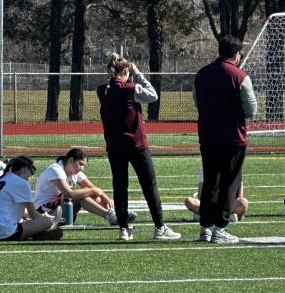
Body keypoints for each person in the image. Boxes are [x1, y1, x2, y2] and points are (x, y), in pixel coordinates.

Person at [96, 53, 180, 242]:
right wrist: (137, 72)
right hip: (136, 144)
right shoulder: (131, 88)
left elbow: (112, 84)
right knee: (149, 186)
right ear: (126, 71)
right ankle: (160, 227)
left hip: (114, 146)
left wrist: (121, 68)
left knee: (120, 187)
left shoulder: (102, 90)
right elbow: (153, 95)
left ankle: (123, 229)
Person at [193, 34, 257, 244]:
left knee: (210, 182)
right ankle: (220, 228)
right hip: (232, 137)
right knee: (229, 183)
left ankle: (205, 228)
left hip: (208, 136)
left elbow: (197, 101)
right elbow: (251, 109)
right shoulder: (240, 75)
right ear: (236, 54)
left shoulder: (202, 74)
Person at [0, 156, 61, 241]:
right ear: (25, 169)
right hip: (4, 233)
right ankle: (42, 232)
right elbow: (33, 214)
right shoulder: (21, 183)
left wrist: (41, 216)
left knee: (38, 221)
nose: (31, 177)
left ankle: (38, 233)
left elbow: (18, 210)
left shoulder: (3, 179)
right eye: (31, 172)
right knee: (47, 222)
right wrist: (43, 218)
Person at [34, 148, 122, 226]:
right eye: (80, 164)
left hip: (60, 209)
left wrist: (106, 198)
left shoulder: (74, 172)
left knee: (87, 193)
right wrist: (93, 190)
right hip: (43, 213)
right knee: (80, 196)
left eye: (83, 165)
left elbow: (94, 189)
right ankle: (110, 216)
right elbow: (69, 193)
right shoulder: (55, 170)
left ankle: (117, 214)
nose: (82, 168)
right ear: (71, 160)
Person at [184, 168, 248, 223]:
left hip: (228, 206)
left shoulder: (236, 167)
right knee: (188, 201)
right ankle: (223, 216)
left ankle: (208, 216)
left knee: (243, 202)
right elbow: (201, 197)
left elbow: (239, 197)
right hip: (211, 205)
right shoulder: (206, 167)